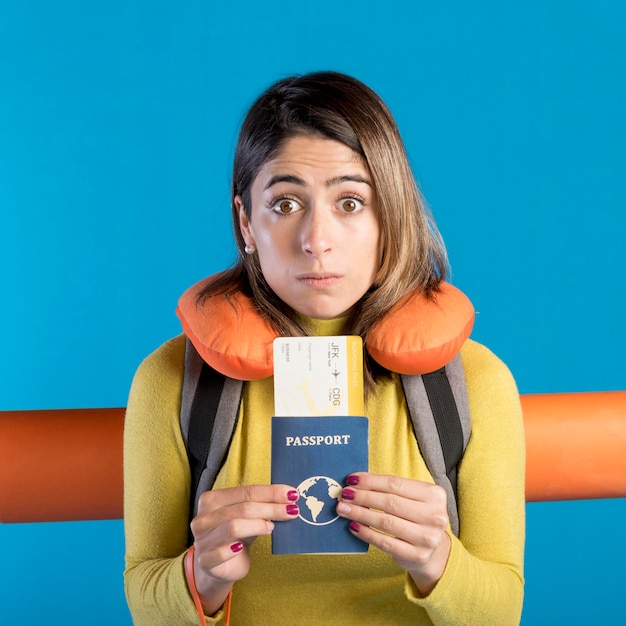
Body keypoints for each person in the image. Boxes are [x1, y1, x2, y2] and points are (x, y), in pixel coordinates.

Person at [124, 71, 525, 625]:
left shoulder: (472, 383)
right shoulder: (174, 380)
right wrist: (201, 576)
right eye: (286, 204)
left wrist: (440, 561)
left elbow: (502, 614)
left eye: (351, 202)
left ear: (390, 215)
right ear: (246, 220)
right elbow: (145, 604)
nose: (317, 240)